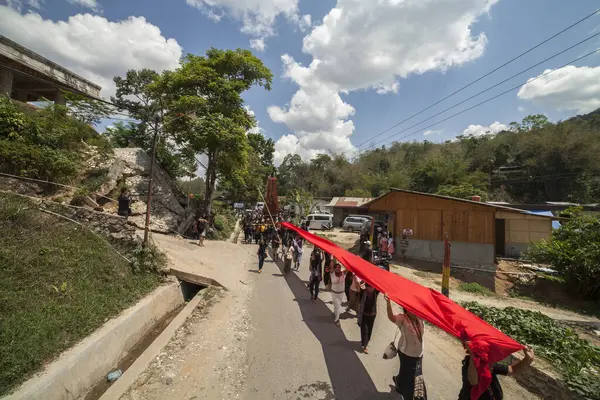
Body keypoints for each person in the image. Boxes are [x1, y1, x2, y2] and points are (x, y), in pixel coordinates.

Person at [385, 295, 427, 400]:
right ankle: (410, 395)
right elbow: (391, 317)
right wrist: (388, 302)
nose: (413, 310)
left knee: (413, 376)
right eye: (411, 308)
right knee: (413, 379)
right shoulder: (403, 318)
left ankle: (398, 381)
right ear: (407, 309)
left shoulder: (419, 317)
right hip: (406, 354)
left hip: (419, 354)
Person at [458, 342, 534, 400]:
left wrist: (527, 360)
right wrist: (472, 354)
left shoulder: (489, 365)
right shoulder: (468, 367)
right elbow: (474, 381)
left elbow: (512, 370)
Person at [357, 283, 379, 354]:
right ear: (366, 287)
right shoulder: (363, 292)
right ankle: (365, 346)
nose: (371, 289)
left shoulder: (375, 292)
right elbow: (359, 300)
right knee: (364, 330)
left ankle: (367, 341)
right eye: (369, 287)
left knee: (370, 330)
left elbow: (381, 286)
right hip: (364, 315)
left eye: (372, 287)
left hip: (372, 315)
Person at [326, 259, 348, 326]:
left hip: (341, 293)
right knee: (338, 306)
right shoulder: (332, 274)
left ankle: (335, 313)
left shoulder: (343, 273)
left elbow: (349, 268)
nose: (338, 269)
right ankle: (337, 320)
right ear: (334, 268)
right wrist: (333, 257)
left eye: (339, 267)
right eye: (337, 267)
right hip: (334, 293)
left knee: (336, 306)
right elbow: (332, 265)